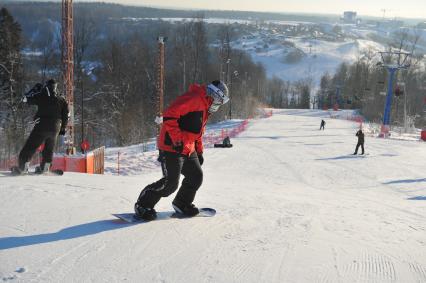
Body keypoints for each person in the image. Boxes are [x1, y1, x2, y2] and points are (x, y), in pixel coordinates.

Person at [134, 80, 230, 221]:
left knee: (196, 176)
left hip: (187, 148)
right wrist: (177, 140)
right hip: (171, 146)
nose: (219, 105)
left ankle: (182, 203)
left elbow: (197, 132)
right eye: (219, 101)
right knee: (170, 184)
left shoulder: (205, 107)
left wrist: (199, 151)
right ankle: (143, 205)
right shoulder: (194, 99)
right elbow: (169, 115)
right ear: (214, 95)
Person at [12, 79, 69, 174]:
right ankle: (45, 167)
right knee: (49, 148)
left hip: (42, 126)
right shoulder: (61, 98)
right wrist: (63, 128)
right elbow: (66, 114)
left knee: (30, 146)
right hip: (56, 128)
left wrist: (33, 91)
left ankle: (23, 167)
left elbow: (26, 99)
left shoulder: (42, 95)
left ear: (46, 86)